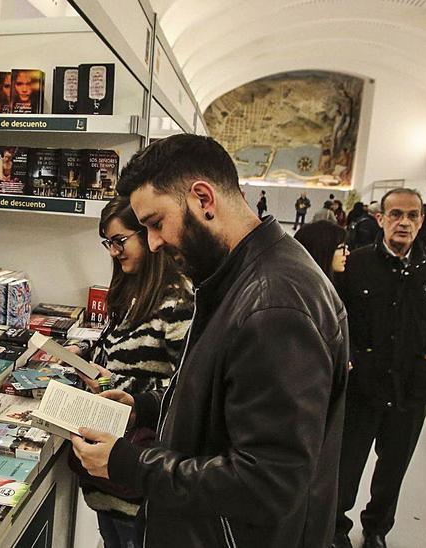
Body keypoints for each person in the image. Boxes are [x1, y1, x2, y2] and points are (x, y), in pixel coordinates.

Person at [70, 134, 348, 547]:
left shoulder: (273, 304)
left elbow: (267, 482)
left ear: (203, 199)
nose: (153, 243)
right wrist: (144, 408)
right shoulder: (241, 277)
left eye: (156, 223)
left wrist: (129, 464)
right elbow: (225, 404)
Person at [333, 188, 426, 548]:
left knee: (393, 466)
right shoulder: (357, 264)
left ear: (422, 221)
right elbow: (335, 316)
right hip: (362, 385)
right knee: (346, 465)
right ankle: (335, 528)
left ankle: (377, 528)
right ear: (381, 219)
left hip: (412, 388)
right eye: (395, 214)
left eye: (412, 215)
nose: (404, 222)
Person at [75, 197, 194, 548]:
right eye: (107, 243)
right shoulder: (130, 291)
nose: (113, 251)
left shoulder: (176, 301)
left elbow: (184, 387)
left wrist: (116, 385)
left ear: (146, 235)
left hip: (138, 474)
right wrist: (83, 355)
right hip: (107, 476)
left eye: (119, 241)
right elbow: (118, 351)